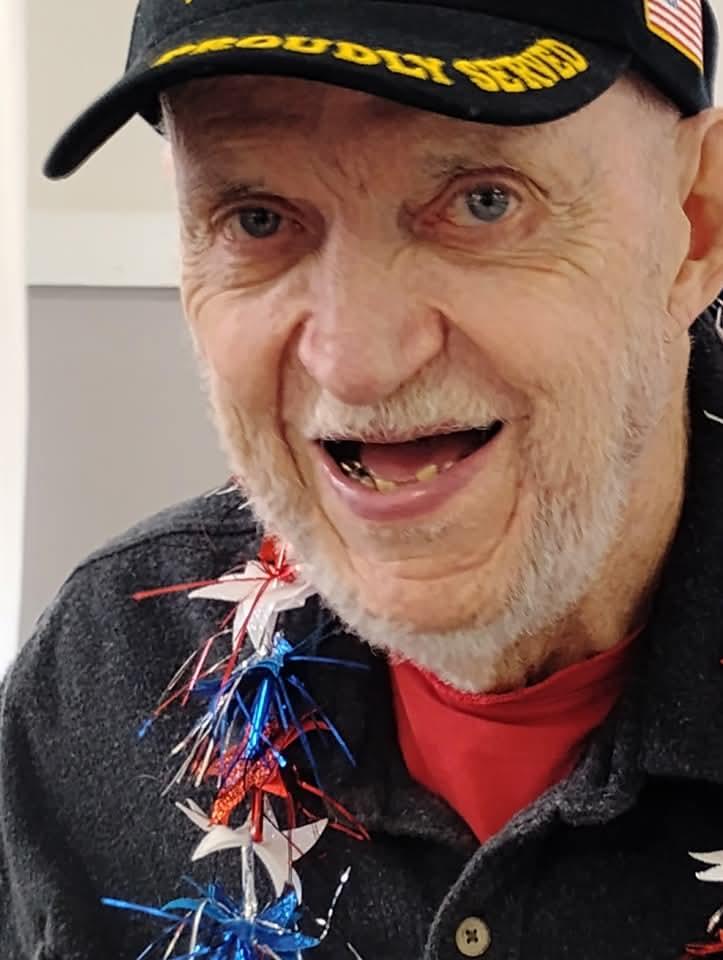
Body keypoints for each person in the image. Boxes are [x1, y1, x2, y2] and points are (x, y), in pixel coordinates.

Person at [5, 0, 723, 957]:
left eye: (483, 199)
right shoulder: (106, 675)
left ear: (695, 224)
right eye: (256, 217)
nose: (356, 361)